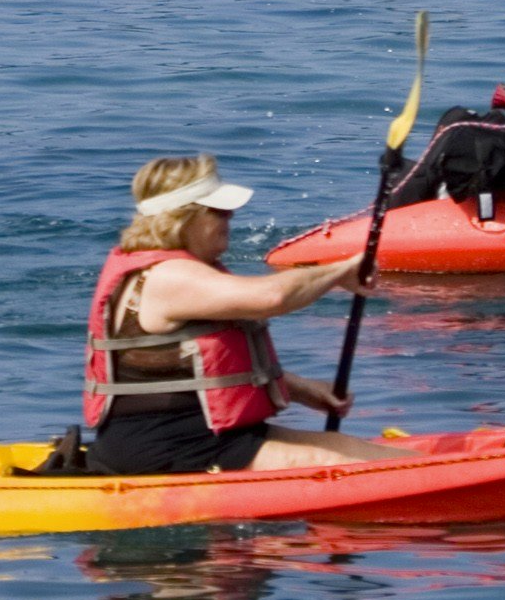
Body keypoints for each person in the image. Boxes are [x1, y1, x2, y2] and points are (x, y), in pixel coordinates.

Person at [83, 155, 389, 474]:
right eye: (218, 211)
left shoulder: (184, 271)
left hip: (213, 437)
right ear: (181, 218)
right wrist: (340, 272)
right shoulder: (166, 277)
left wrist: (301, 389)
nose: (231, 217)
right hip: (164, 447)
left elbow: (191, 369)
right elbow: (273, 296)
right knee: (331, 464)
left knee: (359, 452)